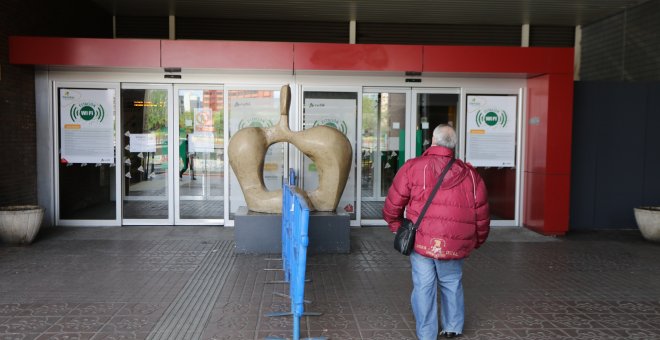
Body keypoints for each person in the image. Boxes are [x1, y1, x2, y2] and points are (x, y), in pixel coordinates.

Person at [382, 124, 490, 339]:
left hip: (421, 239)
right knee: (451, 282)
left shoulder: (414, 167)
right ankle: (452, 326)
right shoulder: (470, 174)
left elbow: (393, 204)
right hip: (454, 242)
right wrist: (477, 240)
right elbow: (482, 213)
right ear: (454, 145)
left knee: (423, 286)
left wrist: (396, 226)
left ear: (432, 141)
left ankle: (426, 333)